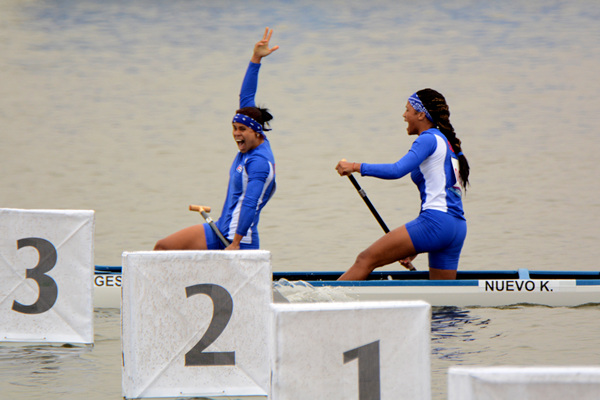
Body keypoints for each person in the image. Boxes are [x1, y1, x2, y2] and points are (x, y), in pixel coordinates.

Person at [154, 27, 278, 251]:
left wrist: (236, 243)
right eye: (234, 128)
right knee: (163, 247)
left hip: (238, 240)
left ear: (256, 133)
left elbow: (250, 203)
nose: (236, 134)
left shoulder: (258, 162)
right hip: (221, 229)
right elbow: (246, 96)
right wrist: (255, 59)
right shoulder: (250, 143)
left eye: (242, 129)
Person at [335, 89, 469, 280]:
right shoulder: (446, 143)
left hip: (436, 223)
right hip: (456, 228)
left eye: (408, 110)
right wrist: (417, 244)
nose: (404, 115)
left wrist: (355, 167)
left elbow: (396, 170)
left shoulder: (428, 139)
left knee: (365, 260)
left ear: (421, 114)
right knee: (443, 303)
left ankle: (320, 307)